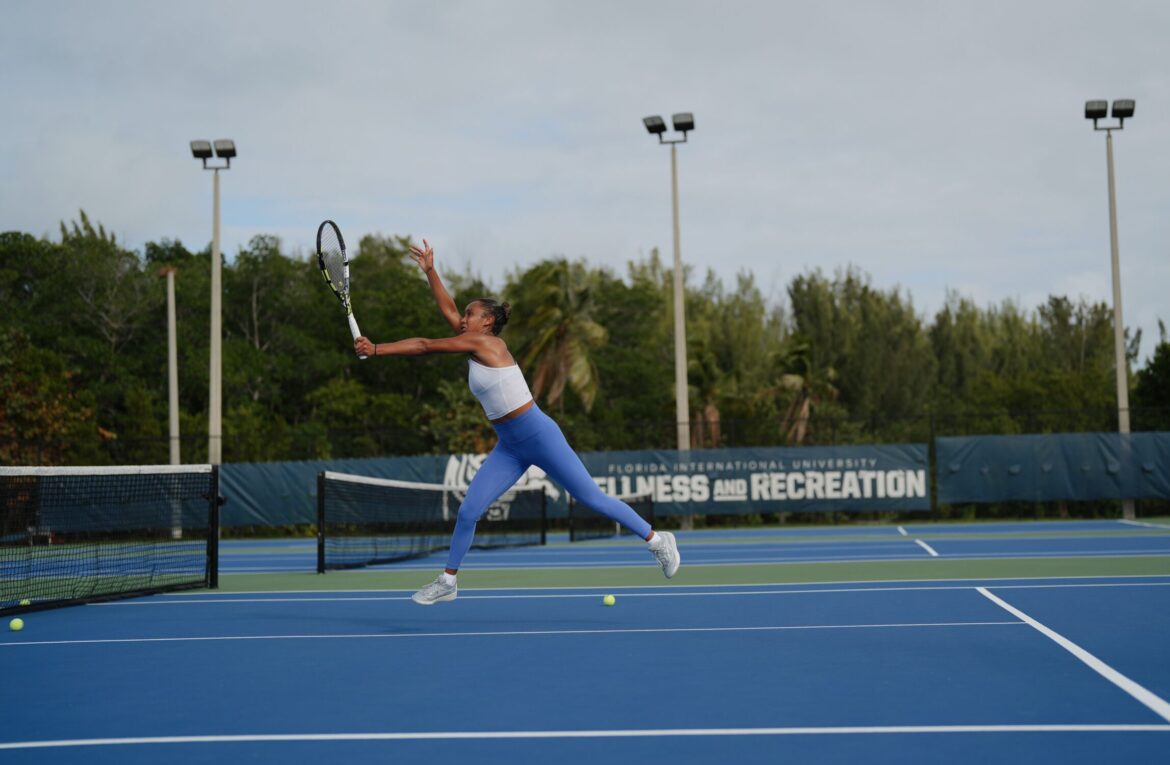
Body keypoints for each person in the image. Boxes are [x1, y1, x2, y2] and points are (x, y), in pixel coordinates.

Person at [353, 239, 680, 605]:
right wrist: (430, 271)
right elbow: (445, 310)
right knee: (469, 510)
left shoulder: (489, 346)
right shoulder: (472, 338)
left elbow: (426, 345)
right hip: (509, 445)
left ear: (488, 322)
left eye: (470, 315)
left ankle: (657, 540)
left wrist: (378, 349)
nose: (463, 319)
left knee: (592, 498)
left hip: (538, 434)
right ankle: (448, 581)